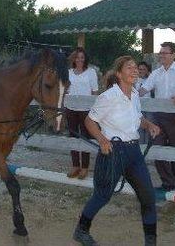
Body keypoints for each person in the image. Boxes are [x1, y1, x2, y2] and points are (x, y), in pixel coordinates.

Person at [72, 56, 161, 246]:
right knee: (102, 195)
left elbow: (137, 118)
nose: (135, 70)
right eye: (129, 68)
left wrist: (148, 125)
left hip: (134, 153)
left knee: (148, 197)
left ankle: (151, 241)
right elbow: (90, 121)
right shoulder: (108, 97)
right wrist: (102, 139)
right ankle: (81, 230)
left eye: (136, 67)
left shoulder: (135, 94)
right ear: (119, 74)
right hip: (113, 151)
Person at [138, 42, 175, 192]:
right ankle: (168, 183)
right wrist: (129, 95)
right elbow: (143, 89)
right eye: (160, 53)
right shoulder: (156, 73)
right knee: (157, 149)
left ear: (173, 55)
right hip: (158, 116)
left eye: (164, 53)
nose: (161, 55)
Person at [65, 47, 99, 180]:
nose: (79, 60)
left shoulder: (91, 72)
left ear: (85, 59)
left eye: (82, 57)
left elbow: (94, 92)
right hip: (71, 108)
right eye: (77, 57)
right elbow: (66, 90)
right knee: (72, 136)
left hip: (86, 110)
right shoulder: (68, 73)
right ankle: (75, 166)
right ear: (74, 59)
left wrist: (94, 110)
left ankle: (85, 167)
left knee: (85, 137)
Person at [135, 61, 153, 143]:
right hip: (138, 108)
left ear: (147, 70)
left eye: (143, 69)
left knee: (149, 128)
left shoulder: (151, 80)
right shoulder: (134, 80)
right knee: (140, 128)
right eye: (140, 69)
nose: (141, 71)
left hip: (149, 108)